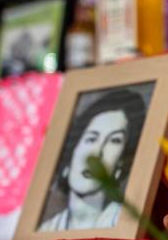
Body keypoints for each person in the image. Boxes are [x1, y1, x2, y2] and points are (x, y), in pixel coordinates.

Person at [38, 88, 147, 231]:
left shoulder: (124, 224)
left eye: (114, 140)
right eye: (91, 138)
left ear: (121, 164)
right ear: (72, 152)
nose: (96, 153)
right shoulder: (46, 230)